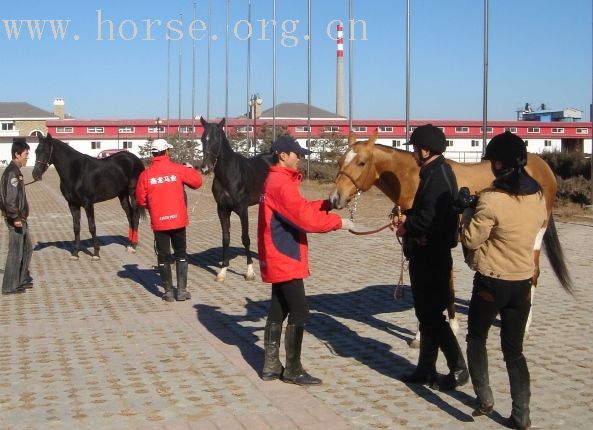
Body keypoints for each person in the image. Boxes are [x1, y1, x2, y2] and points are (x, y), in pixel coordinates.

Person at [461, 132, 546, 429]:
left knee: (476, 337)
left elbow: (471, 239)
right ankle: (522, 414)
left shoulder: (492, 199)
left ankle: (484, 397)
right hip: (522, 282)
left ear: (498, 163)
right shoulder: (537, 196)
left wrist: (467, 210)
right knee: (514, 350)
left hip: (491, 281)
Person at [258, 135, 353, 386]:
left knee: (279, 308)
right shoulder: (280, 183)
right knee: (300, 311)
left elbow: (297, 208)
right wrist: (338, 223)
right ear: (282, 155)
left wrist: (326, 205)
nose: (299, 158)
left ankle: (270, 366)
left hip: (278, 253)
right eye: (296, 154)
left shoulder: (278, 180)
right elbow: (303, 219)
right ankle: (293, 369)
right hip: (285, 254)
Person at [395, 124, 469, 391]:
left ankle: (458, 368)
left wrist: (407, 226)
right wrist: (409, 215)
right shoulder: (436, 171)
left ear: (425, 150)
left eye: (415, 149)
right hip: (428, 252)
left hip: (431, 254)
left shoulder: (437, 174)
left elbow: (430, 217)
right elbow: (426, 210)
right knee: (426, 314)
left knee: (431, 315)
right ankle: (426, 369)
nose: (413, 154)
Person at [136, 138, 202, 302]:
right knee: (181, 254)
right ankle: (181, 291)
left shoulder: (146, 175)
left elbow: (141, 200)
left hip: (159, 223)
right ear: (166, 152)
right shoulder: (178, 169)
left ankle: (167, 292)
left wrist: (153, 207)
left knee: (163, 256)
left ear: (152, 154)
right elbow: (197, 182)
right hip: (178, 221)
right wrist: (191, 169)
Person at [1, 138, 34, 295]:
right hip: (16, 219)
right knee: (16, 251)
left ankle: (19, 280)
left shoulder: (15, 171)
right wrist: (15, 218)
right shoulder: (12, 173)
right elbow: (9, 200)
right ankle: (9, 285)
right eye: (26, 154)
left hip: (20, 218)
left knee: (27, 248)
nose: (28, 157)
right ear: (17, 154)